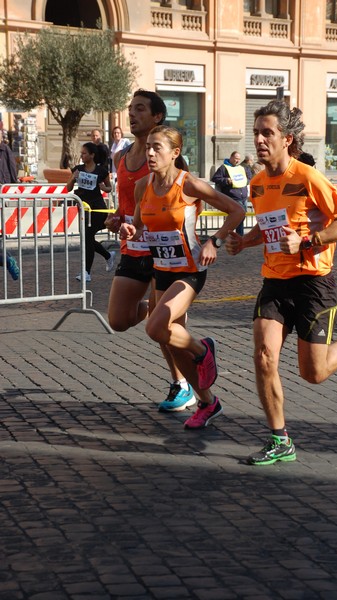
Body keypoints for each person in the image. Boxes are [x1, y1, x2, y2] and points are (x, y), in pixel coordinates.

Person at [226, 100, 337, 466]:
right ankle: (280, 439)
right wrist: (245, 240)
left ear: (287, 139)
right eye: (256, 132)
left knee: (314, 373)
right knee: (264, 357)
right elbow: (268, 224)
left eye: (267, 133)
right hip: (275, 281)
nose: (259, 139)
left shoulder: (308, 177)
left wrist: (308, 242)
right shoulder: (258, 183)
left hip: (313, 283)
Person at [120, 125, 244, 429]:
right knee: (172, 342)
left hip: (189, 272)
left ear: (175, 153)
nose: (149, 152)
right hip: (161, 271)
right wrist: (128, 229)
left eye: (157, 147)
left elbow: (237, 211)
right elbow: (138, 221)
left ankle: (204, 349)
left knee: (156, 325)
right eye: (148, 146)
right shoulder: (143, 186)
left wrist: (213, 241)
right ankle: (207, 402)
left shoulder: (189, 185)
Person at [105, 89, 196, 413]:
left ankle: (183, 385)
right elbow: (127, 205)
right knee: (117, 320)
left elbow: (184, 200)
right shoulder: (122, 157)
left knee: (166, 331)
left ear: (157, 116)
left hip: (165, 253)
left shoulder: (169, 157)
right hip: (133, 248)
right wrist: (118, 218)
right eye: (130, 108)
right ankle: (152, 310)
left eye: (140, 109)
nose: (132, 114)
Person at [66, 142, 115, 283]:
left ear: (92, 155)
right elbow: (68, 188)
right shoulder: (78, 169)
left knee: (87, 238)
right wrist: (73, 177)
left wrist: (103, 187)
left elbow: (109, 188)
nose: (82, 156)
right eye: (81, 153)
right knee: (87, 239)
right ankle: (107, 256)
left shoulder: (101, 171)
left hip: (97, 209)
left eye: (84, 153)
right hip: (83, 209)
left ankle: (86, 272)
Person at [212, 151, 251, 236]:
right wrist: (226, 180)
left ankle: (230, 234)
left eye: (239, 159)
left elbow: (249, 177)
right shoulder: (223, 168)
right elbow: (215, 178)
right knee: (239, 216)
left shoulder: (242, 168)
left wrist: (246, 181)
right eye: (236, 158)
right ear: (231, 157)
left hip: (243, 197)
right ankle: (238, 236)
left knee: (239, 217)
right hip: (233, 197)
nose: (237, 161)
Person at [0, 129, 20, 280]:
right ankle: (6, 259)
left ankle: (6, 259)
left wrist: (12, 187)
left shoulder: (4, 149)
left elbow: (12, 168)